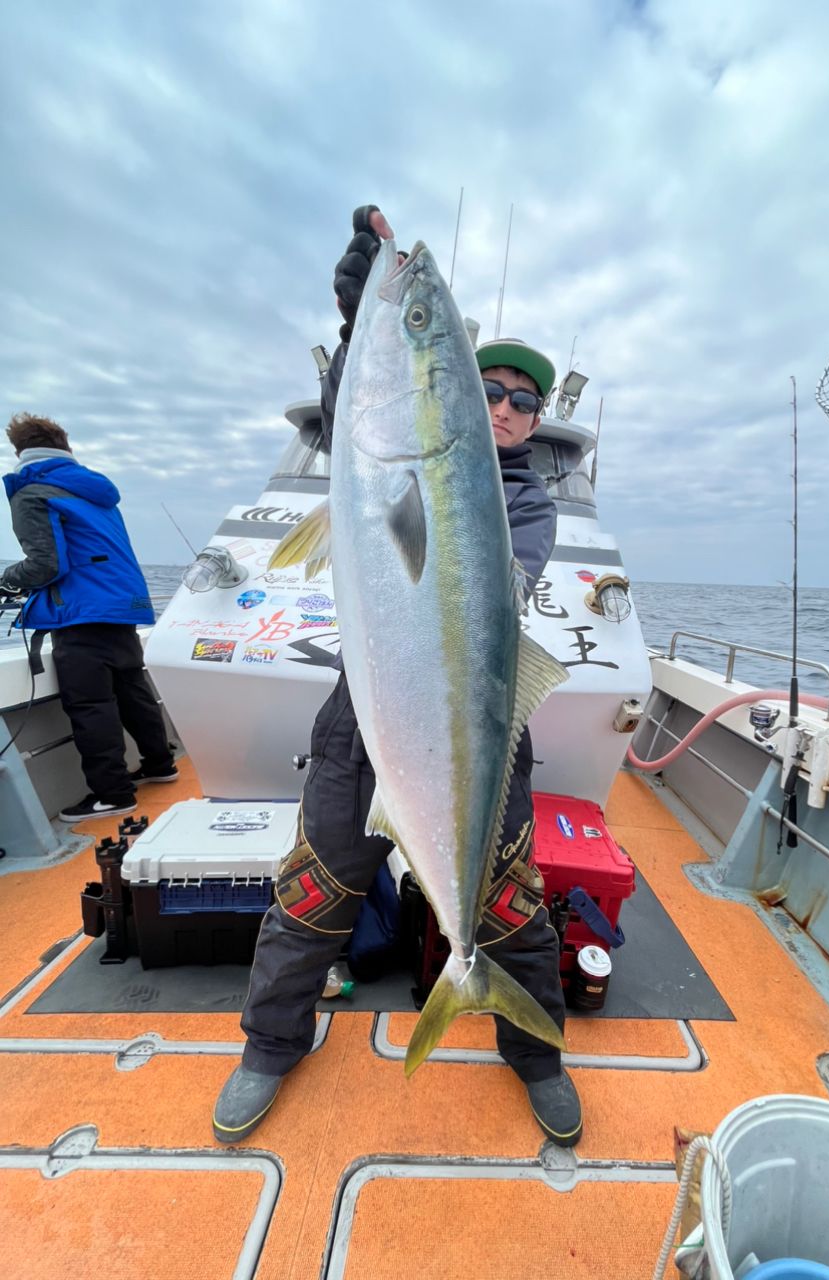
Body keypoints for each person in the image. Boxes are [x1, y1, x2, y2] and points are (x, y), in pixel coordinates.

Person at [213, 205, 582, 1148]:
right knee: (315, 887)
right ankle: (269, 1044)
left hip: (479, 719)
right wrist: (361, 319)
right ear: (456, 392)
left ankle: (533, 1051)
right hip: (364, 716)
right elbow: (364, 425)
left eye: (521, 401)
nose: (503, 407)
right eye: (487, 389)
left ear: (534, 422)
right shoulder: (374, 450)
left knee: (508, 901)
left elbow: (482, 577)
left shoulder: (528, 506)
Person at [1, 414, 177, 822]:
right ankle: (160, 764)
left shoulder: (32, 491)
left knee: (90, 703)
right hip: (122, 606)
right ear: (65, 446)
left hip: (81, 612)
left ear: (20, 452)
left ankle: (113, 795)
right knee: (133, 691)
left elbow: (47, 565)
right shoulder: (93, 489)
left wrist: (7, 579)